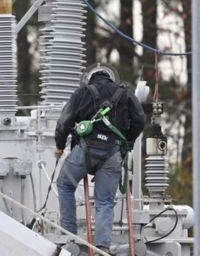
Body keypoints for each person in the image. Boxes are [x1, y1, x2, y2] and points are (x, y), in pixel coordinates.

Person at [54, 68, 145, 253]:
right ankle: (102, 246)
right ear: (111, 78)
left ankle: (69, 236)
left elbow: (64, 121)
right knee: (104, 201)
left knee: (65, 185)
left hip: (84, 152)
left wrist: (60, 145)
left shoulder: (82, 93)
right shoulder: (125, 93)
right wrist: (128, 141)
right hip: (112, 154)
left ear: (89, 79)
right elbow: (140, 120)